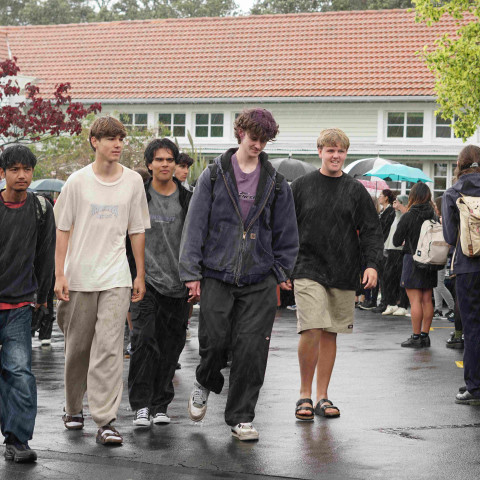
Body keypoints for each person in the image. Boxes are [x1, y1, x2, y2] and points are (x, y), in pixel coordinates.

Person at [179, 108, 298, 441]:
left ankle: (242, 416)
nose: (258, 145)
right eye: (253, 137)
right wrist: (191, 271)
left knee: (251, 350)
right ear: (240, 133)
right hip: (217, 273)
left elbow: (288, 235)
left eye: (264, 140)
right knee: (214, 342)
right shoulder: (215, 174)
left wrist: (279, 271)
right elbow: (195, 225)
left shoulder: (276, 183)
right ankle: (205, 380)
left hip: (259, 278)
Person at [54, 116, 150, 445]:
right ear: (95, 142)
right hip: (80, 276)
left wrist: (139, 272)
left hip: (116, 276)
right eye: (110, 138)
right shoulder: (77, 182)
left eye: (120, 138)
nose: (118, 144)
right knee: (78, 349)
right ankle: (72, 407)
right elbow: (62, 230)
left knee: (109, 349)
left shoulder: (134, 182)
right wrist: (60, 273)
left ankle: (106, 420)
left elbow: (137, 229)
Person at [293, 128, 383, 421]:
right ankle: (304, 394)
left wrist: (371, 264)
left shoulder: (355, 190)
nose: (335, 155)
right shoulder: (301, 186)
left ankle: (322, 397)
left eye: (340, 151)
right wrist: (282, 266)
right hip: (307, 267)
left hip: (344, 268)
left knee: (331, 333)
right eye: (330, 150)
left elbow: (371, 230)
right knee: (311, 328)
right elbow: (285, 228)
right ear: (319, 151)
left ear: (346, 154)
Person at [128, 138, 192, 426]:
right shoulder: (138, 197)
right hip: (145, 283)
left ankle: (161, 405)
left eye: (170, 159)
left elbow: (195, 242)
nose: (165, 164)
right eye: (159, 160)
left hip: (178, 286)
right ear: (149, 164)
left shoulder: (187, 199)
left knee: (170, 346)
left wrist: (194, 278)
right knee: (143, 341)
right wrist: (132, 276)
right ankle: (141, 405)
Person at [0, 145, 55, 462]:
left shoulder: (41, 208)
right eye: (15, 169)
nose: (22, 175)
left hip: (21, 305)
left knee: (19, 372)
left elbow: (45, 259)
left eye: (27, 169)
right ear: (4, 173)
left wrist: (43, 303)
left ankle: (17, 439)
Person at [442, 145, 480, 405]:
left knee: (473, 327)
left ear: (460, 164)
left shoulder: (452, 192)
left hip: (469, 265)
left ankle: (475, 387)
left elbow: (448, 236)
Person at [393, 183, 437, 348]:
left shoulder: (409, 215)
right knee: (427, 299)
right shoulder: (433, 214)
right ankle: (425, 336)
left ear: (412, 196)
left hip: (412, 258)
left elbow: (396, 240)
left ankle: (416, 336)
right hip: (430, 260)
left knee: (415, 300)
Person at [382, 194, 410, 316]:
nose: (395, 204)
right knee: (388, 277)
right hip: (391, 249)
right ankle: (391, 303)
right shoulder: (395, 215)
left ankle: (402, 305)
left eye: (397, 202)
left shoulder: (406, 216)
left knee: (400, 278)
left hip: (400, 249)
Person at [432, 196, 455, 320]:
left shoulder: (442, 220)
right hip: (439, 252)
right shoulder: (440, 219)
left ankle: (452, 307)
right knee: (436, 283)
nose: (435, 208)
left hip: (441, 253)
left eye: (436, 206)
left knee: (439, 283)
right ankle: (438, 308)